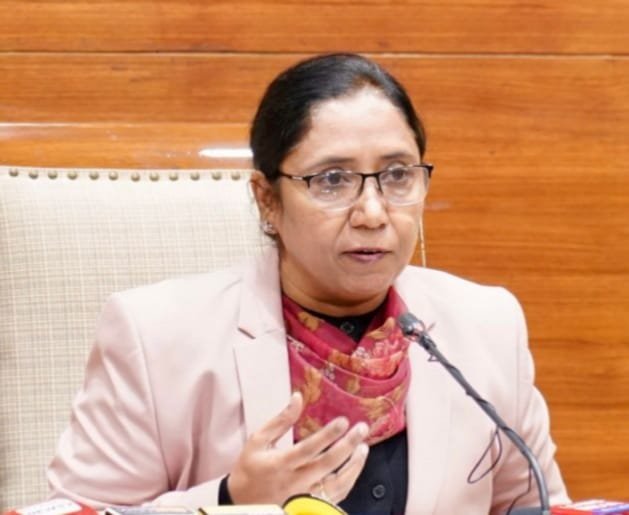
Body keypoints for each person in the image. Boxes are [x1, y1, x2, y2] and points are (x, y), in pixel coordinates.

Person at [48, 53, 569, 514]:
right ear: (267, 200)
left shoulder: (486, 324)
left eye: (397, 175)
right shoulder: (156, 336)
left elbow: (537, 507)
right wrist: (230, 500)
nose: (372, 213)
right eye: (332, 180)